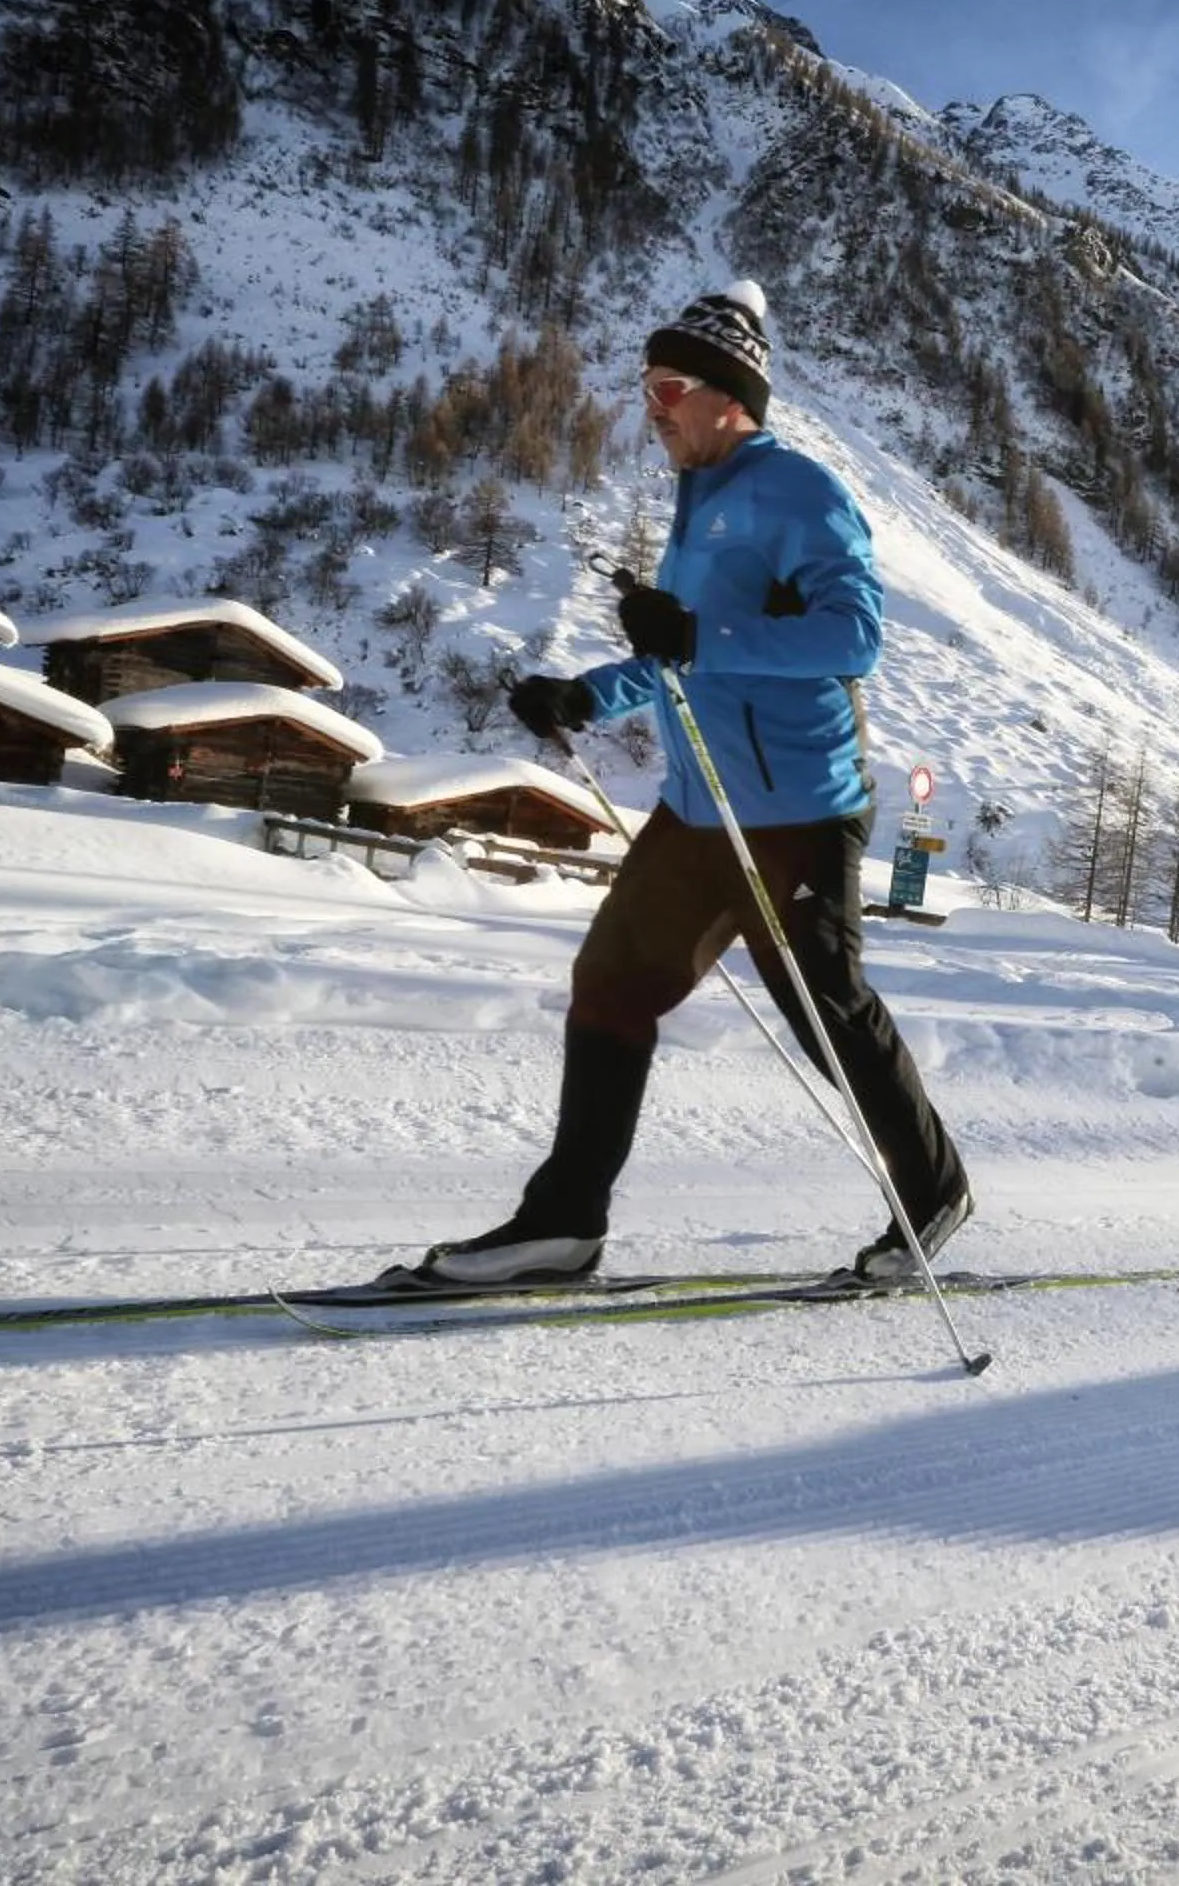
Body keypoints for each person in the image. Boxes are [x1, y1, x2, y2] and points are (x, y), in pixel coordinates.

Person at [413, 280, 972, 1288]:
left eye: (670, 386)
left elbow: (855, 638)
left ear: (730, 396)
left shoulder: (800, 490)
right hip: (702, 804)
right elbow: (683, 654)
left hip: (799, 807)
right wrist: (585, 695)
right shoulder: (697, 507)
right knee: (612, 985)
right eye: (646, 387)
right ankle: (564, 1222)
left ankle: (934, 1191)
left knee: (826, 1007)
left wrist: (699, 634)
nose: (652, 406)